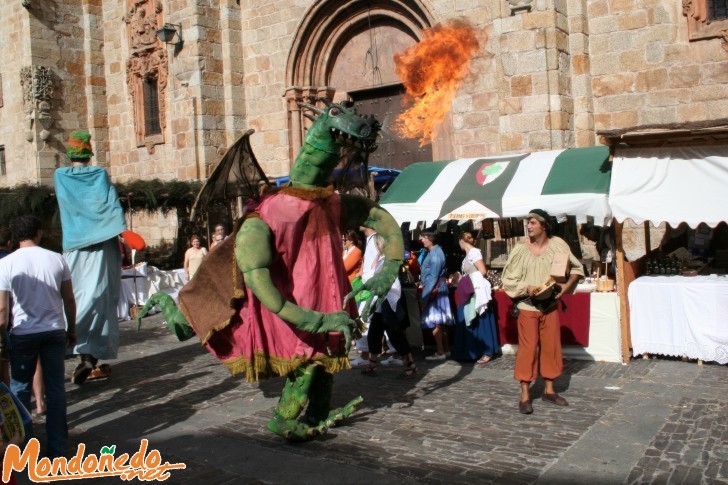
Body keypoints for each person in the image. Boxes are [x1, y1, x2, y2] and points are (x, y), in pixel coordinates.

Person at [0, 215, 77, 459]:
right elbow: (69, 299)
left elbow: (2, 309)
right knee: (55, 389)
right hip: (54, 329)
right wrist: (72, 328)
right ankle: (57, 448)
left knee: (20, 387)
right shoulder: (57, 259)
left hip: (23, 332)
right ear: (39, 233)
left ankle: (21, 446)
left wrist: (1, 336)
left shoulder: (6, 264)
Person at [54, 131, 126, 385]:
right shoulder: (99, 174)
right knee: (103, 299)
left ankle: (76, 350)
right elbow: (111, 204)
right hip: (104, 242)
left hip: (75, 244)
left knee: (76, 297)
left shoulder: (60, 176)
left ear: (71, 153)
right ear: (88, 152)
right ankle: (90, 357)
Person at [501, 209, 584, 415]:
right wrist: (526, 288)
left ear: (544, 226)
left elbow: (576, 268)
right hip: (527, 306)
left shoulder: (558, 245)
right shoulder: (520, 249)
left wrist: (566, 287)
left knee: (551, 347)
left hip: (550, 306)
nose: (528, 226)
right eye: (527, 223)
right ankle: (525, 395)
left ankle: (549, 390)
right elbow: (508, 280)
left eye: (532, 222)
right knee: (528, 349)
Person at [358, 230, 416, 377]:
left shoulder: (384, 260)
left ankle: (411, 363)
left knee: (394, 332)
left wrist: (368, 269)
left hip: (387, 300)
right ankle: (372, 364)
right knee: (375, 332)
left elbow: (370, 277)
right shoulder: (383, 259)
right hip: (381, 300)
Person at [453, 231, 499, 365]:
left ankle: (487, 350)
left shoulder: (474, 253)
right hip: (469, 290)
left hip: (476, 291)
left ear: (462, 241)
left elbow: (483, 271)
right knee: (467, 316)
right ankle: (471, 350)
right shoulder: (468, 255)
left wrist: (471, 280)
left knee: (479, 318)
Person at [419, 230, 454, 360]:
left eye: (423, 238)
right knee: (441, 321)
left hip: (435, 291)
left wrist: (425, 296)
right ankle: (446, 350)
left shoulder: (435, 254)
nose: (422, 240)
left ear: (429, 238)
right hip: (438, 289)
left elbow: (433, 277)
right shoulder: (434, 252)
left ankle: (440, 352)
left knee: (436, 322)